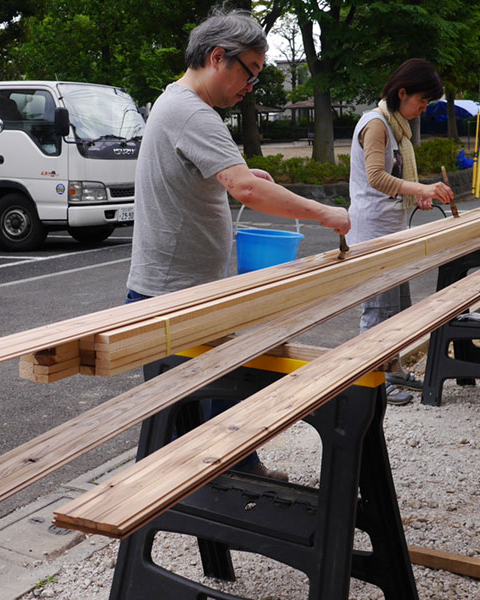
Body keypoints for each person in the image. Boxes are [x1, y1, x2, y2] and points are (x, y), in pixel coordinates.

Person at [125, 7, 350, 480]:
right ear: (217, 57)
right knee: (190, 418)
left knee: (198, 407)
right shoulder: (193, 113)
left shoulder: (175, 103)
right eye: (250, 71)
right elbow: (246, 191)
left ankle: (229, 475)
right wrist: (326, 213)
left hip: (175, 291)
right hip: (172, 298)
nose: (250, 86)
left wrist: (242, 174)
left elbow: (220, 177)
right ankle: (206, 490)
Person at [346, 58, 453, 405]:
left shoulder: (396, 128)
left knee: (398, 308)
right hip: (371, 232)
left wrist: (416, 195)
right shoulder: (376, 124)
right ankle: (369, 381)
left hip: (390, 229)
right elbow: (376, 177)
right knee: (379, 310)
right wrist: (421, 188)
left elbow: (393, 180)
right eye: (422, 100)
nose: (424, 108)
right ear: (402, 93)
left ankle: (392, 369)